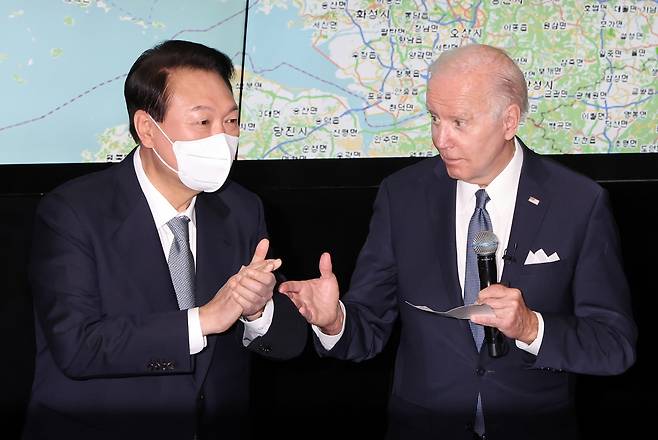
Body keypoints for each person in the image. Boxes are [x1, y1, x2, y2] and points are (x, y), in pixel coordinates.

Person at [280, 44, 637, 440]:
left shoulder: (578, 202)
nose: (440, 139)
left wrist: (530, 327)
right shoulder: (403, 196)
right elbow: (368, 327)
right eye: (435, 118)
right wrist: (334, 320)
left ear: (509, 121)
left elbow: (613, 345)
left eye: (459, 122)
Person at [24, 40, 306, 440]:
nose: (222, 139)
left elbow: (287, 344)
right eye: (202, 122)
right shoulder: (73, 212)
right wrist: (204, 319)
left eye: (230, 122)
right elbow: (78, 345)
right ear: (147, 129)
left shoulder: (242, 209)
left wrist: (259, 312)